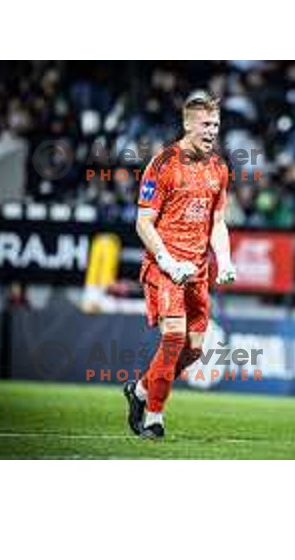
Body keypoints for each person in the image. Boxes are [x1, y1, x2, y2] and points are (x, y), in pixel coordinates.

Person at [123, 91, 236, 439]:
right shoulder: (162, 165)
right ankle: (154, 418)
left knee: (194, 350)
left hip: (198, 272)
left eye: (216, 124)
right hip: (166, 267)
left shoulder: (219, 168)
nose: (212, 130)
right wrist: (168, 262)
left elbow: (217, 223)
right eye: (205, 124)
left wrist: (226, 260)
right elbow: (143, 223)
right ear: (188, 124)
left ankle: (140, 390)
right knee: (173, 339)